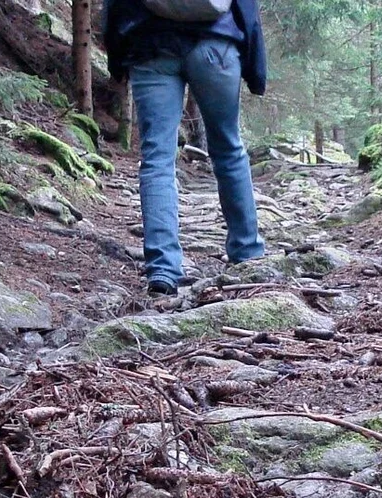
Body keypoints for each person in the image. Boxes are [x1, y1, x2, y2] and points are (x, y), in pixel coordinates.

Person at [102, 0, 268, 295]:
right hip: (216, 46)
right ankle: (247, 253)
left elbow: (114, 4)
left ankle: (163, 268)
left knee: (157, 159)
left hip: (150, 47)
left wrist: (117, 59)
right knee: (229, 150)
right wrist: (256, 70)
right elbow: (246, 6)